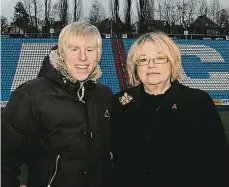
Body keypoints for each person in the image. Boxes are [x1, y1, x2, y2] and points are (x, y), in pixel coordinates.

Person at [2, 21, 113, 187]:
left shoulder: (105, 95)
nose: (82, 57)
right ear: (61, 52)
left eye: (89, 50)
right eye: (74, 49)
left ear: (99, 54)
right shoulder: (31, 96)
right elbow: (4, 161)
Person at [110, 32, 229, 187]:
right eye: (143, 59)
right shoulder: (120, 103)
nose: (151, 65)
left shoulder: (198, 102)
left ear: (172, 62)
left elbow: (219, 162)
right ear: (135, 66)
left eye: (160, 58)